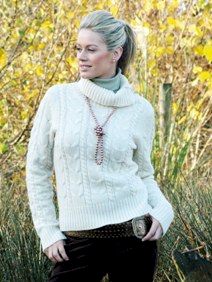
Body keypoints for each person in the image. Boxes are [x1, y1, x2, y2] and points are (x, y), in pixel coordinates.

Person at [25, 10, 174, 282]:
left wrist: (164, 210)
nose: (81, 57)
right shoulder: (57, 99)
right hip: (77, 242)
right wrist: (47, 231)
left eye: (91, 49)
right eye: (78, 48)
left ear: (115, 53)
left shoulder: (141, 110)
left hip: (135, 238)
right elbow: (37, 170)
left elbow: (143, 174)